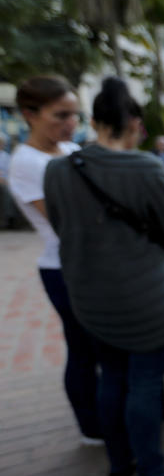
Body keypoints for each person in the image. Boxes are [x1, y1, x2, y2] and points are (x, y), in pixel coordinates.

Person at [44, 77, 164, 476]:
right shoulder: (148, 167)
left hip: (90, 300)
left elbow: (62, 228)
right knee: (145, 382)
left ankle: (120, 463)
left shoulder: (59, 170)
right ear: (135, 123)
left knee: (111, 377)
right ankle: (153, 475)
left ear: (94, 120)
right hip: (147, 299)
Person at [9, 75, 101, 445]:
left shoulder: (64, 151)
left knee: (95, 347)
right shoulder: (27, 162)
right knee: (82, 349)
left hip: (86, 263)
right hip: (63, 269)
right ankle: (91, 427)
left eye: (75, 115)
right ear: (30, 115)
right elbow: (65, 222)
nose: (71, 124)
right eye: (60, 115)